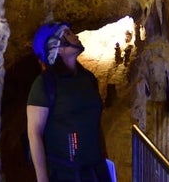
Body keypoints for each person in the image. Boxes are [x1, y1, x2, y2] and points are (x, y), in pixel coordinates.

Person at [27, 21, 112, 182]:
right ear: (55, 48)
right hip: (65, 174)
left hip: (97, 171)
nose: (75, 36)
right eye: (68, 33)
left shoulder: (87, 78)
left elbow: (94, 124)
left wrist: (105, 160)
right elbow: (34, 133)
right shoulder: (44, 84)